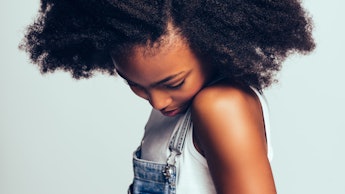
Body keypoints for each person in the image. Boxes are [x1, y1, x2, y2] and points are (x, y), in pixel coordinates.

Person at [20, 0, 315, 193]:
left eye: (173, 83)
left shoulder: (222, 106)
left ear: (213, 45)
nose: (157, 102)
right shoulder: (180, 106)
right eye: (135, 85)